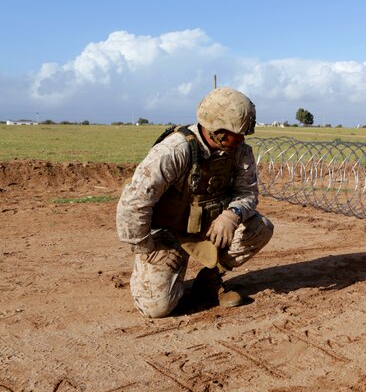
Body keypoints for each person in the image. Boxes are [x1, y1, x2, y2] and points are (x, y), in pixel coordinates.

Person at [116, 87, 274, 318]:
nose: (241, 139)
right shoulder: (174, 151)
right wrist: (148, 250)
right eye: (236, 133)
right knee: (156, 308)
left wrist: (231, 215)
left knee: (260, 228)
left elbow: (248, 193)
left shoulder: (240, 152)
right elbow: (133, 204)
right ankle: (163, 275)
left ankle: (209, 280)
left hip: (209, 227)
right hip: (167, 233)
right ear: (215, 128)